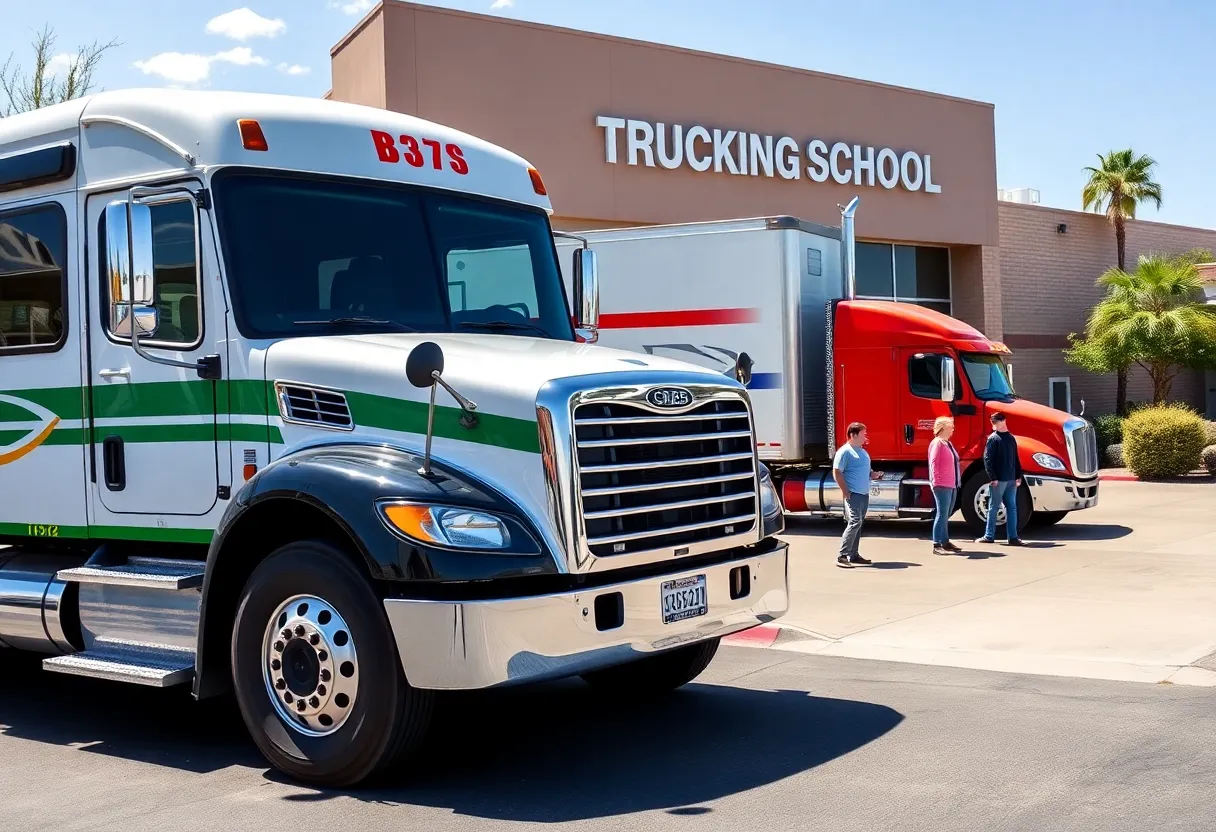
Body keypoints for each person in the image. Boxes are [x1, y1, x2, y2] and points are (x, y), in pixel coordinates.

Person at [833, 421, 882, 568]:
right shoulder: (845, 451)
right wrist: (845, 491)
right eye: (863, 434)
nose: (866, 436)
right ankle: (842, 556)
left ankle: (853, 555)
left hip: (863, 494)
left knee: (859, 524)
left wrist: (875, 474)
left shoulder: (862, 452)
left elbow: (867, 472)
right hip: (853, 494)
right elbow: (837, 472)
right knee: (854, 522)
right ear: (853, 435)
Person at [976, 411, 1025, 546]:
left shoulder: (995, 438)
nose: (994, 425)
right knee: (1010, 507)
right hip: (1008, 479)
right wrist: (1017, 476)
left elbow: (988, 459)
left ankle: (990, 535)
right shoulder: (1008, 438)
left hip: (1003, 479)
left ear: (998, 422)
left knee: (994, 507)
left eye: (994, 422)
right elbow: (1014, 459)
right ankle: (1012, 537)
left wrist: (994, 477)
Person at [928, 416, 962, 555]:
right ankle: (937, 544)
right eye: (950, 427)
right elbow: (934, 463)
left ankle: (945, 541)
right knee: (942, 514)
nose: (953, 429)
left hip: (951, 483)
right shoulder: (937, 443)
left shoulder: (947, 443)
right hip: (942, 484)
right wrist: (935, 481)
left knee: (946, 513)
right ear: (943, 428)